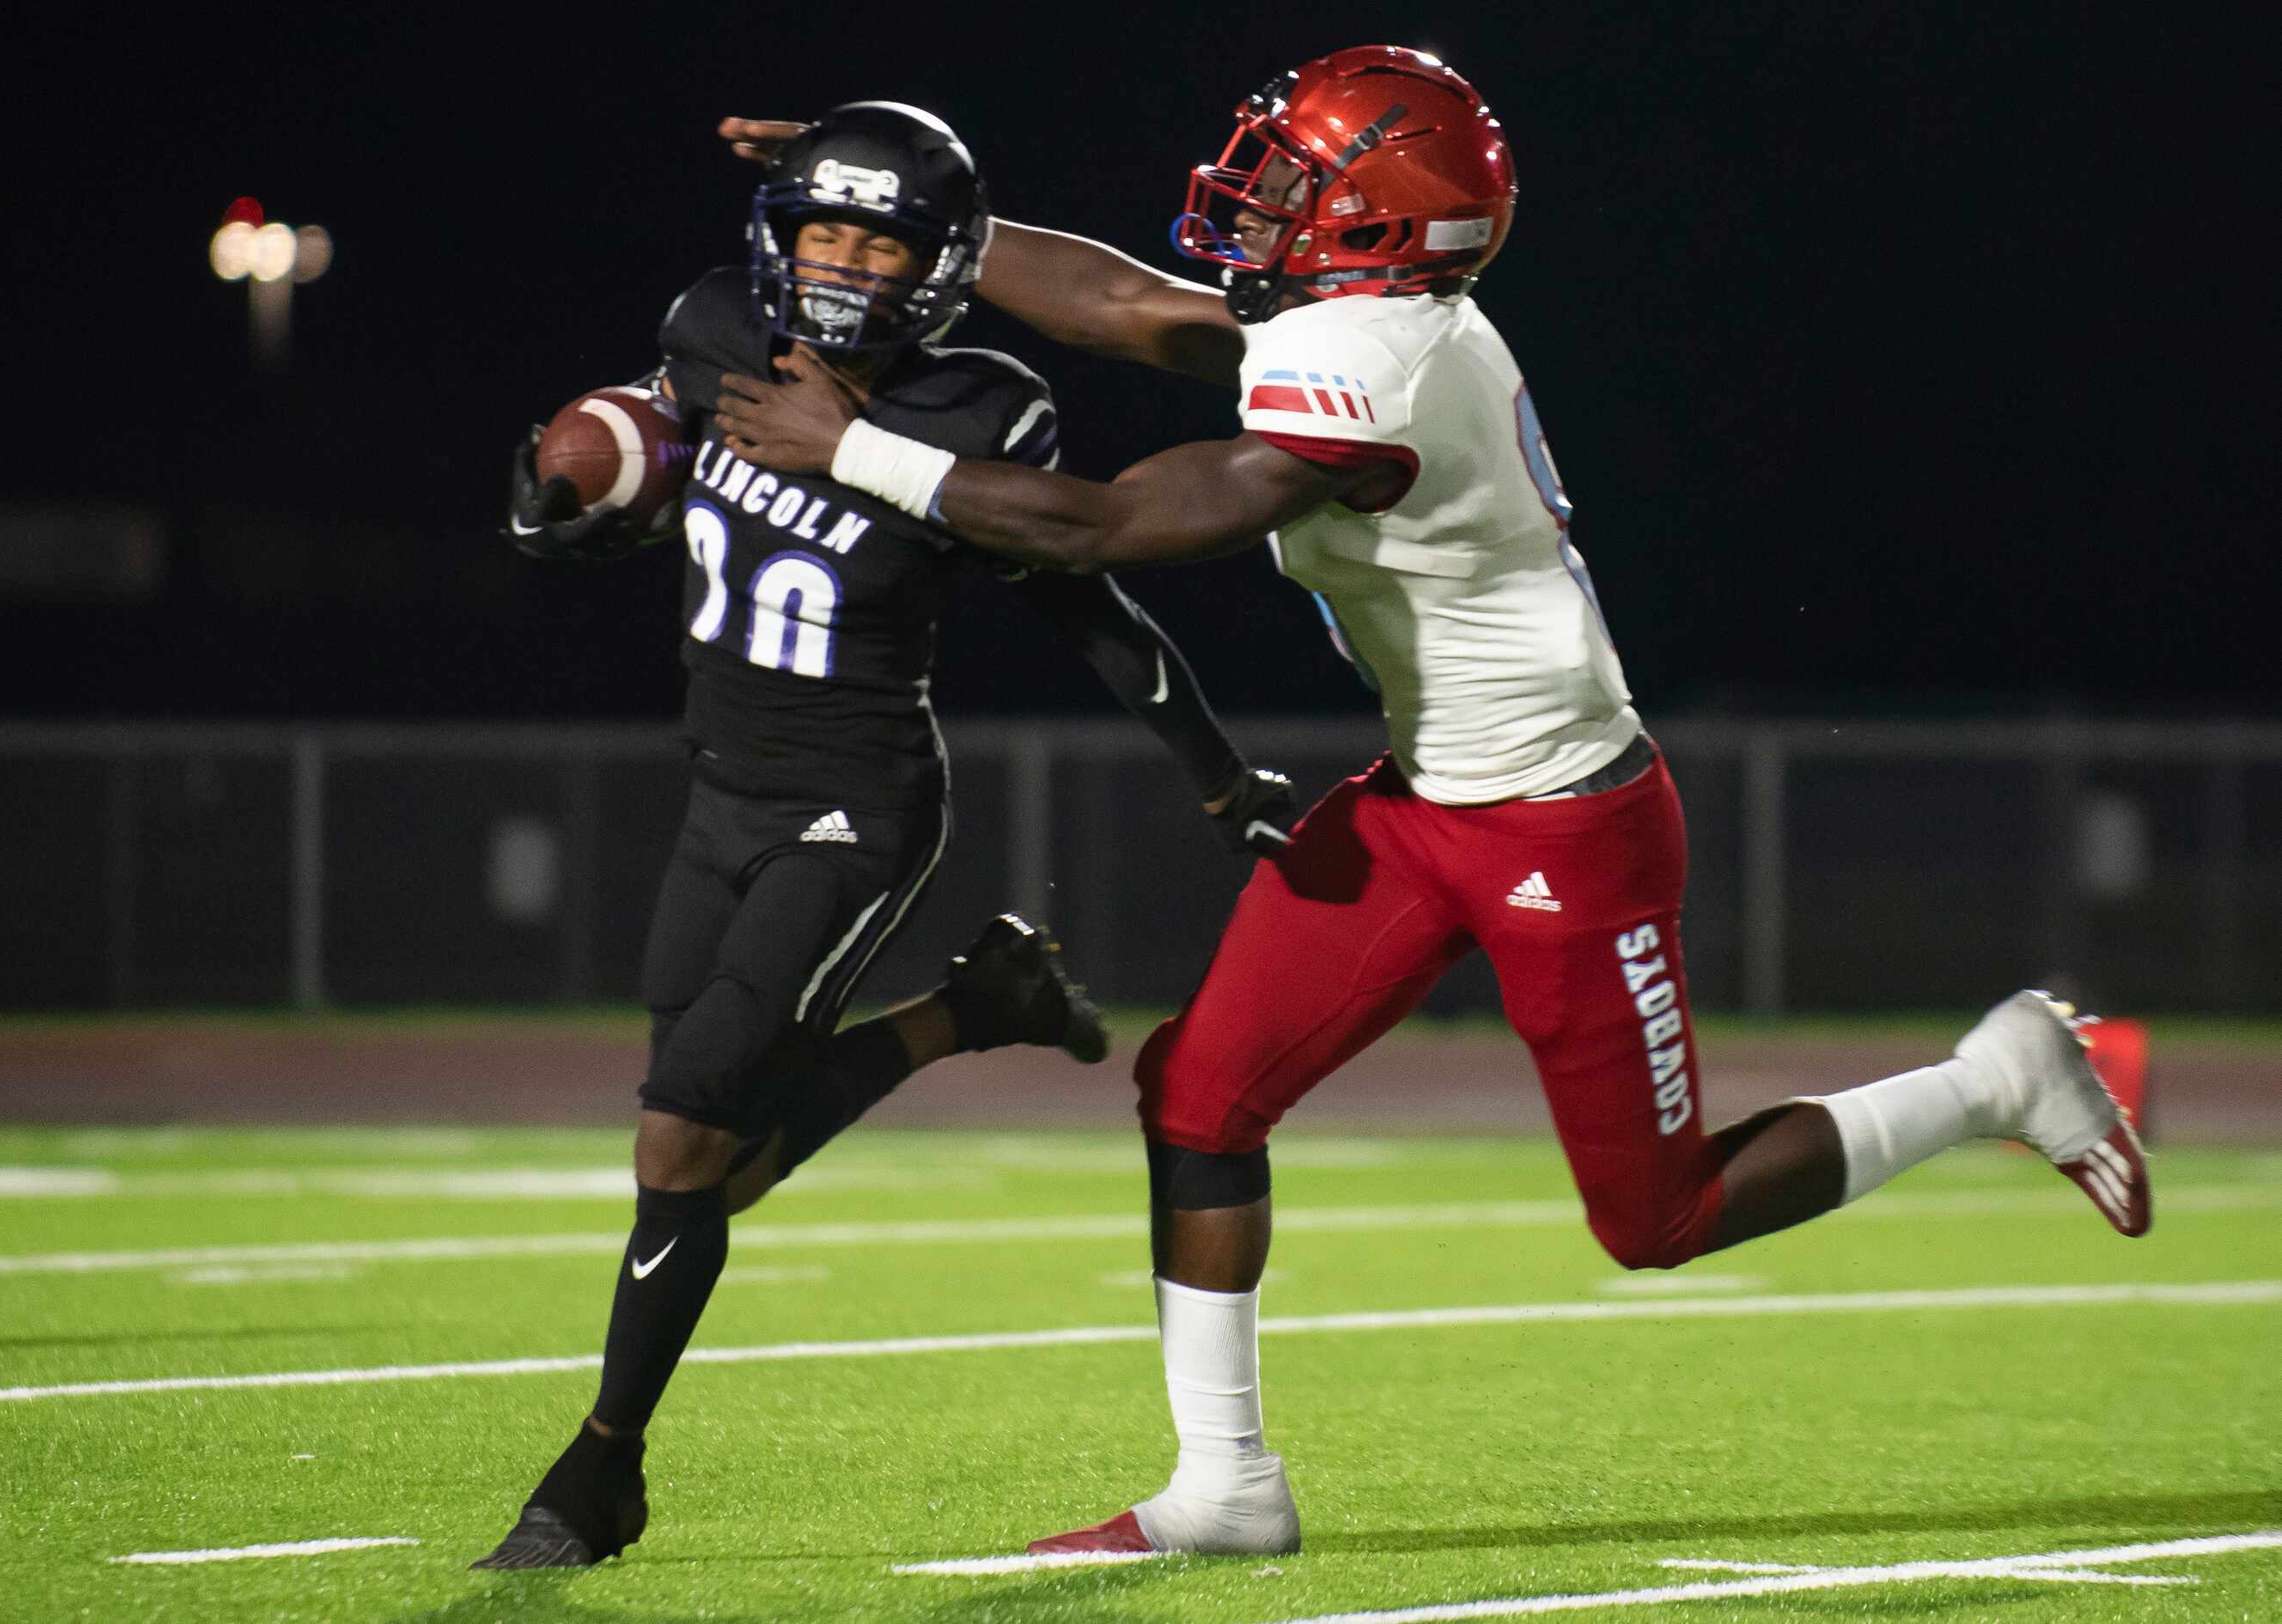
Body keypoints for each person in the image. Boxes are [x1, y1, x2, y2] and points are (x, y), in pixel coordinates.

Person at [713, 47, 2152, 1557]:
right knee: (1196, 1095)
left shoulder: (1375, 365)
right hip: (1421, 797)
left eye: (1295, 182)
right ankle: (1225, 1487)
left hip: (1560, 820)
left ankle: (2000, 1079)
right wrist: (909, 209)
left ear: (1380, 223)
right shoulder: (1362, 318)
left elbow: (1108, 526)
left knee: (1652, 1218)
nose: (1255, 197)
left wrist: (855, 446)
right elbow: (1137, 309)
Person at [472, 99, 1297, 1570]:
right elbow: (652, 447)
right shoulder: (717, 325)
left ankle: (598, 1471)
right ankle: (974, 1007)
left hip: (854, 803)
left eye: (877, 233)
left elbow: (1085, 593)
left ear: (937, 261)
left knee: (679, 1136)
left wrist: (1218, 773)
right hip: (718, 784)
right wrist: (578, 492)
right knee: (709, 1166)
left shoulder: (974, 408)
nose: (841, 258)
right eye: (822, 225)